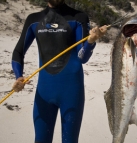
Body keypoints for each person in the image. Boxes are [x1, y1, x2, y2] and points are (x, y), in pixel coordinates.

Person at [12, 0, 108, 142]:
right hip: (44, 92)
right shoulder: (34, 20)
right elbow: (18, 52)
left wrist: (90, 42)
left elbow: (82, 57)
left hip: (71, 92)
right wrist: (19, 76)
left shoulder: (78, 17)